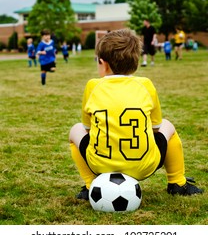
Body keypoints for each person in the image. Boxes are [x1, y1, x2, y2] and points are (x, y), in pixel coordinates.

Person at [69, 29, 203, 200]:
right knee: (167, 125)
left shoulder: (92, 86)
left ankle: (90, 185)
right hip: (145, 166)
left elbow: (88, 129)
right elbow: (156, 127)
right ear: (136, 62)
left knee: (76, 130)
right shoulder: (146, 84)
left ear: (103, 63)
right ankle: (177, 182)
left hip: (100, 165)